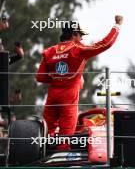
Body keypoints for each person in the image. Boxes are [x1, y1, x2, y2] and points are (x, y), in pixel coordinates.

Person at [36, 15, 123, 150]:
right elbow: (105, 44)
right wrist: (117, 25)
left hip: (52, 95)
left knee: (46, 132)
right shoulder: (78, 50)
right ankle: (61, 161)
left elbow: (40, 77)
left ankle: (41, 155)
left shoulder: (49, 52)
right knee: (65, 138)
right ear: (74, 34)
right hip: (69, 97)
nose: (82, 39)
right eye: (80, 35)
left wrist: (57, 78)